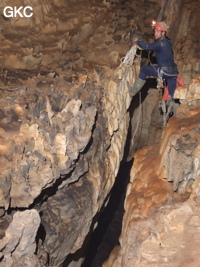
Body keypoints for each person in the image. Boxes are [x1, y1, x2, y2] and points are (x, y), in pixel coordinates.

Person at [129, 21, 178, 101]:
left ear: (163, 33)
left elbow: (147, 46)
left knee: (145, 70)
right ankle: (173, 107)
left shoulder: (160, 43)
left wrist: (137, 41)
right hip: (173, 73)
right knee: (172, 94)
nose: (155, 33)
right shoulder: (168, 42)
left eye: (157, 32)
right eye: (155, 31)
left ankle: (132, 92)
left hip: (164, 71)